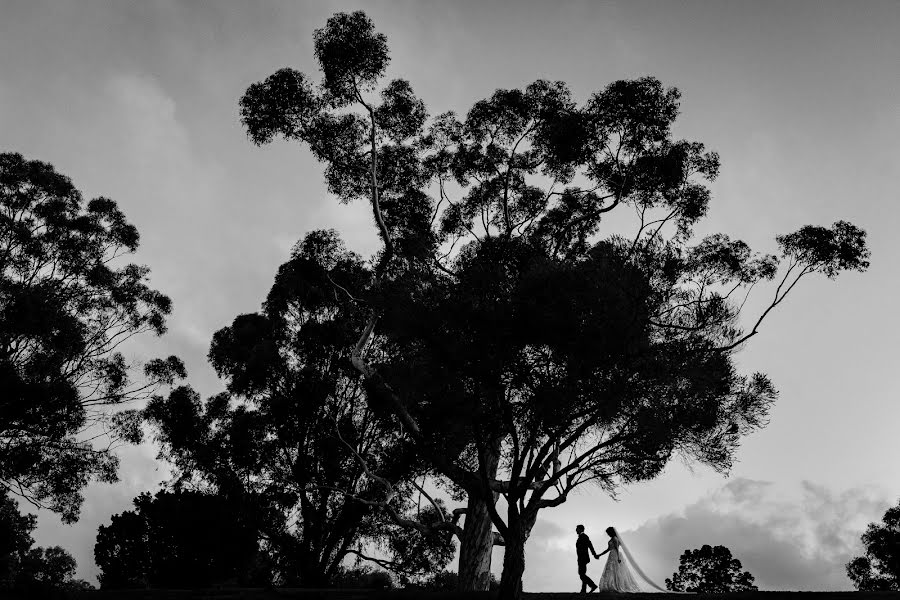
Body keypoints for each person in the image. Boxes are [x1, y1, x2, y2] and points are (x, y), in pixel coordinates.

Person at [575, 524, 598, 593]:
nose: (576, 530)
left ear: (581, 529)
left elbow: (590, 545)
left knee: (581, 574)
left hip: (583, 558)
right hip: (581, 558)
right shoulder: (581, 537)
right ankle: (583, 589)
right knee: (583, 573)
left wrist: (594, 554)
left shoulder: (584, 536)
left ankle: (593, 585)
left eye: (577, 529)